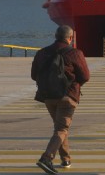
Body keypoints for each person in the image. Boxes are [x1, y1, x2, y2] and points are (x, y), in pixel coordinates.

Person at [31, 25, 90, 174]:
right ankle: (46, 158)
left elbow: (34, 75)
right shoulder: (75, 53)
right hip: (67, 96)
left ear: (55, 36)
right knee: (62, 129)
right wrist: (74, 85)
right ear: (70, 38)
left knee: (60, 128)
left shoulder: (42, 53)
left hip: (48, 97)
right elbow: (85, 76)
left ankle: (66, 159)